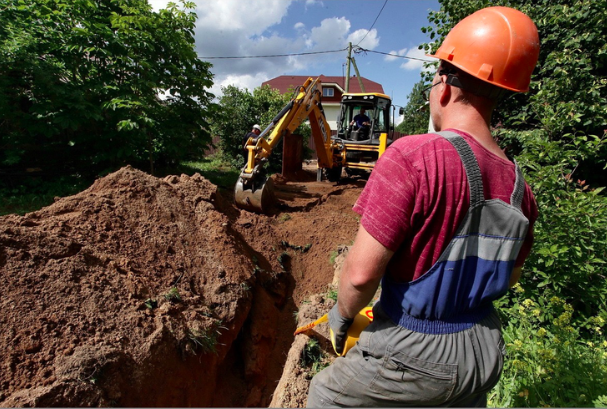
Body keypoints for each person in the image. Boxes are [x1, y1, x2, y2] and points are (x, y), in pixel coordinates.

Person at [307, 6, 540, 408]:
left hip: (415, 349)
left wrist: (342, 318)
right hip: (482, 350)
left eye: (433, 81)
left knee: (324, 395)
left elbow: (361, 276)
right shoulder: (522, 189)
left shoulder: (412, 156)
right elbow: (511, 277)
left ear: (445, 88)